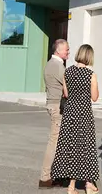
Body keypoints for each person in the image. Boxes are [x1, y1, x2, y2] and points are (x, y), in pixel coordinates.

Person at [51, 45, 100, 194]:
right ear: (90, 57)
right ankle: (88, 184)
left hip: (70, 113)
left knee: (71, 146)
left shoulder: (68, 72)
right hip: (84, 113)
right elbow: (95, 97)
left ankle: (72, 186)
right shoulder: (90, 74)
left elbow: (66, 93)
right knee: (85, 147)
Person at [40, 39, 69, 189]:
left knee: (58, 141)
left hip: (54, 104)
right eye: (66, 49)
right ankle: (45, 177)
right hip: (57, 106)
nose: (68, 52)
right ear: (58, 50)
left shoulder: (52, 64)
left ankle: (56, 174)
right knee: (54, 141)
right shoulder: (57, 66)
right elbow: (68, 86)